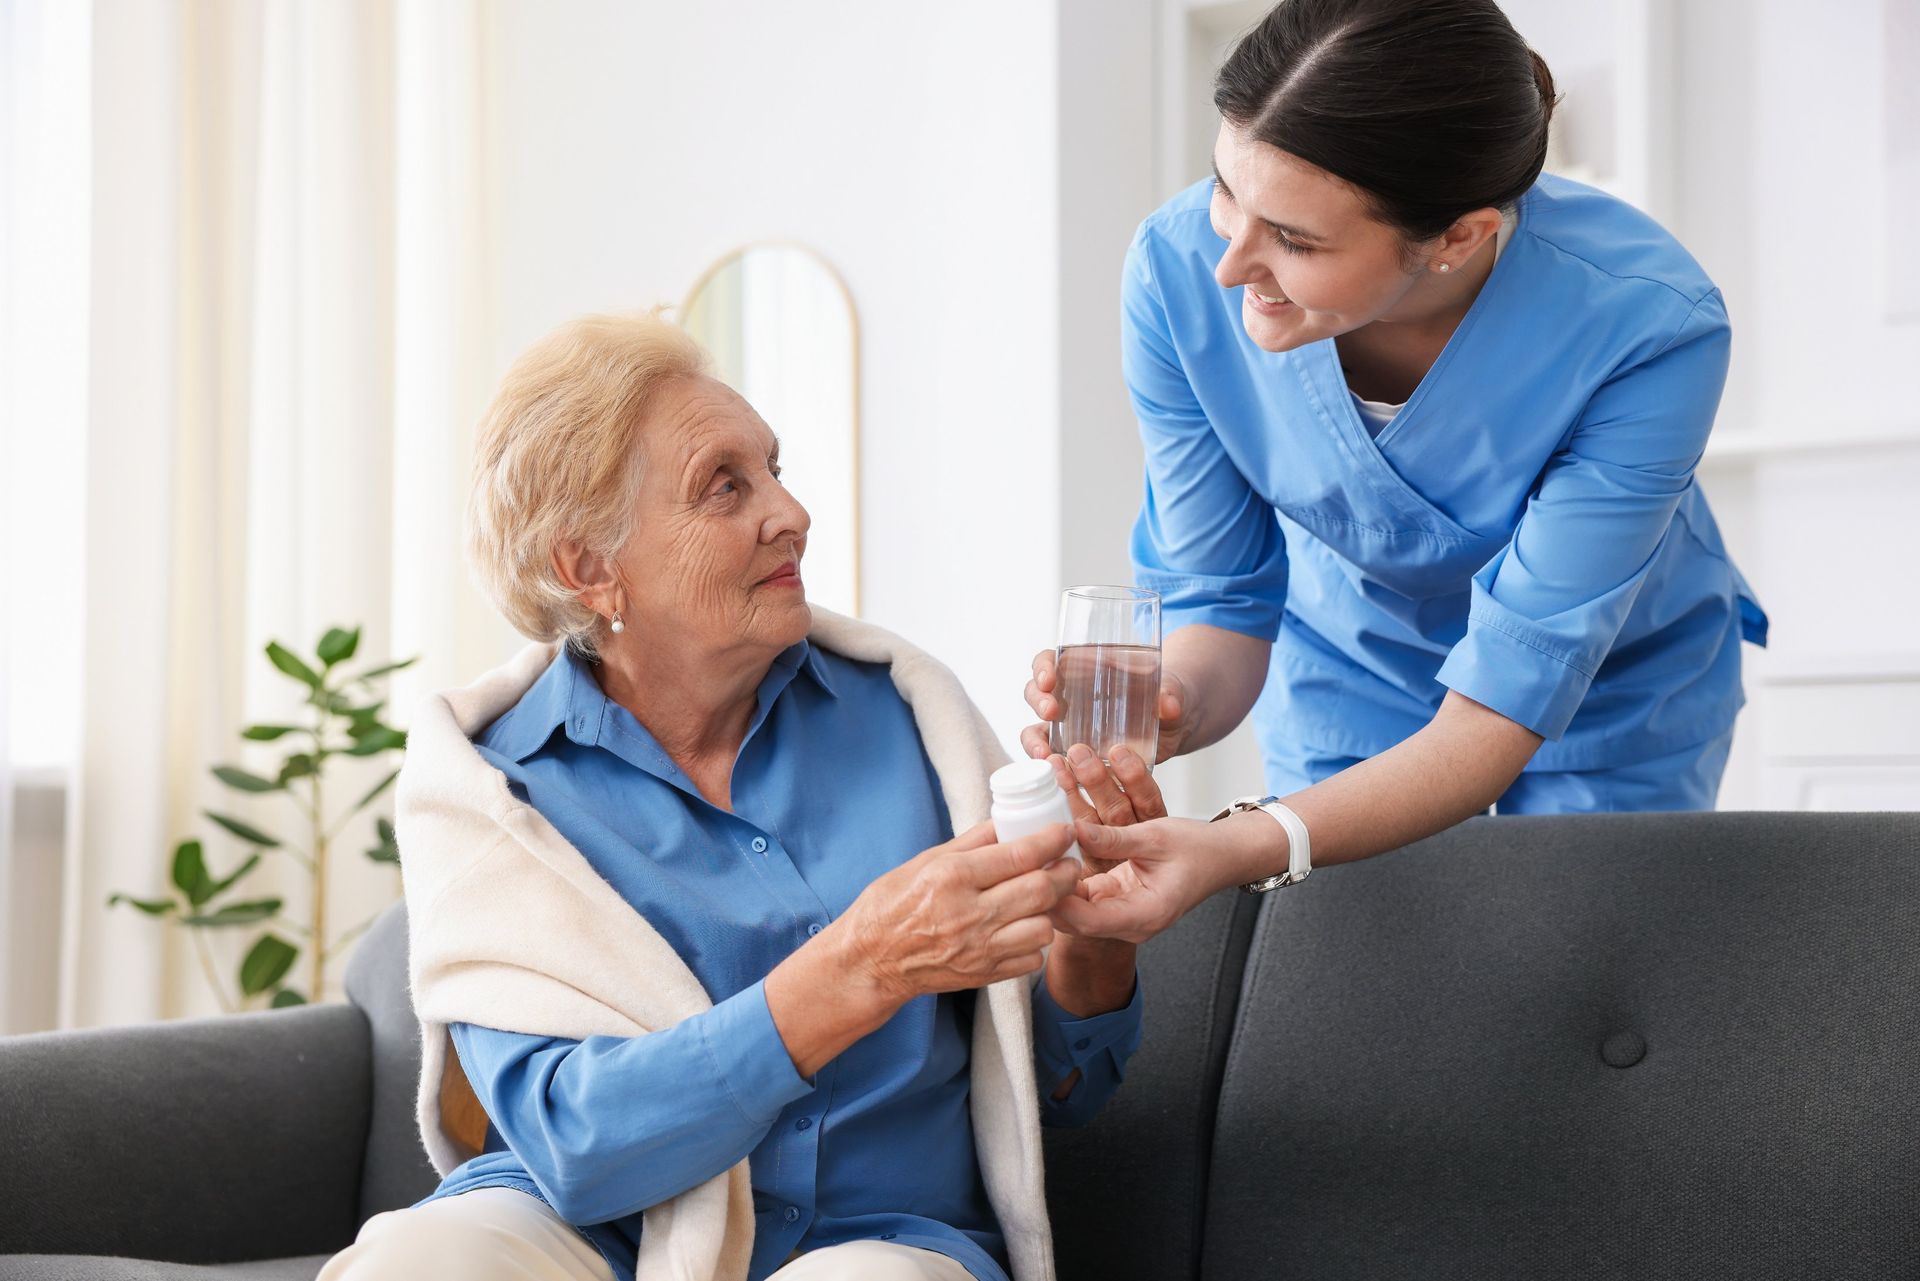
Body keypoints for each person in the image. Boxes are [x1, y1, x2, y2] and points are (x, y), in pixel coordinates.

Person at [321, 312, 1143, 1281]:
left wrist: (1095, 939)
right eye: (726, 487)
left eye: (776, 470)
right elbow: (573, 1144)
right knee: (420, 1259)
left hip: (874, 1241)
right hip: (600, 1240)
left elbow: (1051, 1089)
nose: (791, 513)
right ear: (589, 567)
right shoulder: (495, 794)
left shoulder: (913, 725)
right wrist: (858, 967)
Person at [1024, 0, 1768, 945]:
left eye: (1294, 239)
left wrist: (1241, 842)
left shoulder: (1649, 324)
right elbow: (1219, 599)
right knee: (1355, 973)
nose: (1229, 264)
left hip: (1608, 677)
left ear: (1458, 237)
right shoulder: (1173, 271)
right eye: (1225, 190)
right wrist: (1173, 710)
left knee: (1579, 968)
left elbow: (1497, 712)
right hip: (1351, 656)